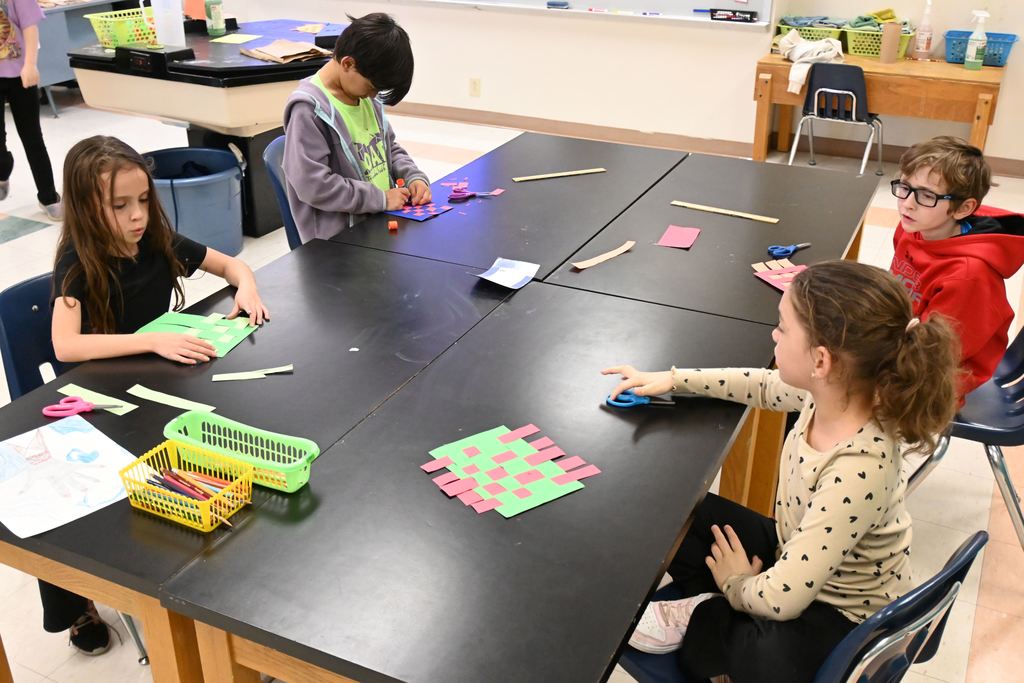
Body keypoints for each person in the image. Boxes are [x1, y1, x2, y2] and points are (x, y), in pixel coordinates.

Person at [604, 261, 960, 682]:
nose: (774, 334)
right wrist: (673, 379)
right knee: (679, 511)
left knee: (740, 649)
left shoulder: (859, 468)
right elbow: (761, 385)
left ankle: (712, 609)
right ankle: (726, 600)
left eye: (783, 328)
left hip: (841, 614)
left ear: (821, 360)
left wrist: (737, 584)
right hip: (796, 554)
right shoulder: (835, 394)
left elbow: (781, 601)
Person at [51, 135, 268, 365]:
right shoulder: (74, 259)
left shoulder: (155, 240)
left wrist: (247, 288)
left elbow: (230, 265)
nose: (138, 215)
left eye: (144, 199)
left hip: (156, 367)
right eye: (120, 205)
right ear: (85, 208)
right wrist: (151, 341)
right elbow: (65, 345)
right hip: (108, 382)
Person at [889, 135, 1024, 399]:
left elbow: (935, 356)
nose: (907, 203)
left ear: (963, 209)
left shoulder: (967, 277)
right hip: (908, 340)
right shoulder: (913, 227)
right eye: (904, 187)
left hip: (943, 375)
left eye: (927, 196)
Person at [282, 12, 430, 243]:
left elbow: (388, 148)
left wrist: (413, 177)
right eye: (372, 87)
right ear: (348, 63)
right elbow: (314, 185)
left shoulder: (365, 98)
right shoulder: (309, 110)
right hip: (338, 243)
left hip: (376, 221)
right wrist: (379, 199)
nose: (374, 95)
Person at [0, 0, 62, 220]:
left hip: (20, 75)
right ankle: (2, 169)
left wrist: (30, 64)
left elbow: (30, 26)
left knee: (32, 137)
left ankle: (48, 197)